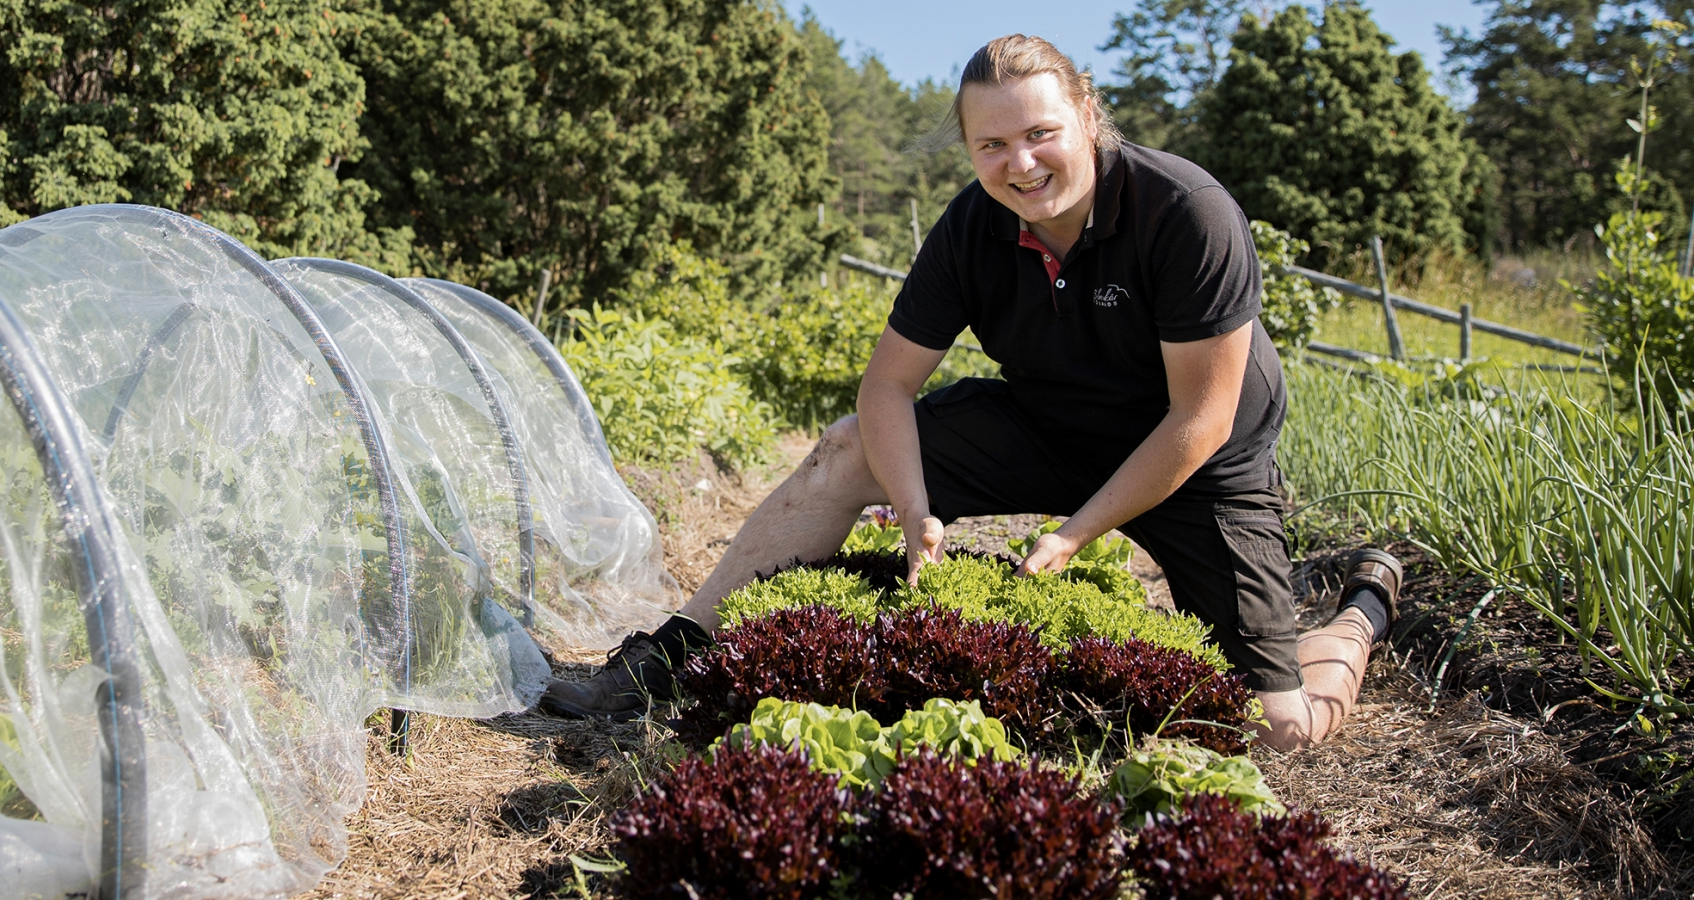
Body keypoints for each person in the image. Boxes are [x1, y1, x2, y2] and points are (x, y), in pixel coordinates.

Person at [540, 34, 1403, 752]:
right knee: (848, 448)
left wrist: (1071, 536)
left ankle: (1361, 610)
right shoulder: (972, 226)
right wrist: (914, 507)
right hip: (1050, 421)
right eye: (991, 145)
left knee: (1279, 727)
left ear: (1088, 117)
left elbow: (1201, 418)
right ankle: (674, 652)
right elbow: (887, 386)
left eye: (1041, 134)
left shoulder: (1184, 213)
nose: (1020, 164)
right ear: (968, 150)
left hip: (1196, 459)